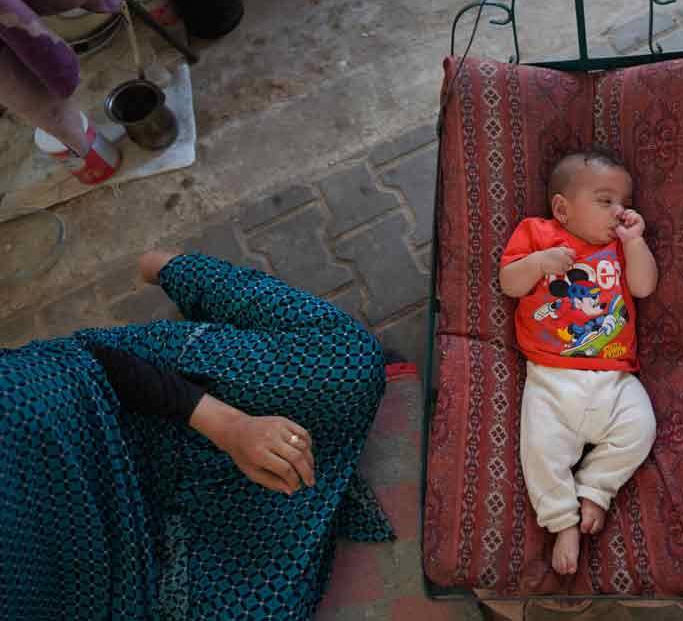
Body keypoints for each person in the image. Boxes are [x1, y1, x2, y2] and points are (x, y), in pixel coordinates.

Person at [0, 251, 394, 620]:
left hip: (152, 413)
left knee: (350, 365)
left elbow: (95, 371)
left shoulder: (15, 403)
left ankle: (175, 268)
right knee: (268, 610)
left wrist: (231, 426)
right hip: (146, 573)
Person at [498, 151, 658, 575]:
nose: (619, 211)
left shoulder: (619, 248)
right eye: (606, 200)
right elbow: (510, 284)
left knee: (640, 428)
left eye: (624, 202)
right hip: (552, 377)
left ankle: (595, 488)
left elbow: (642, 287)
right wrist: (538, 263)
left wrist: (635, 242)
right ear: (562, 209)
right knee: (540, 450)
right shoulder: (537, 233)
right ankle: (562, 521)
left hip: (614, 377)